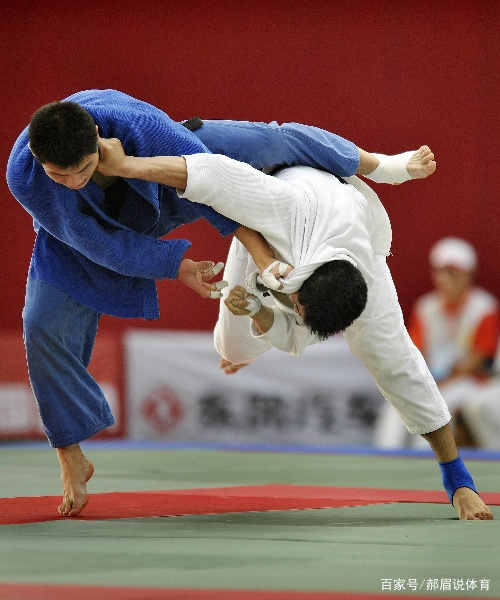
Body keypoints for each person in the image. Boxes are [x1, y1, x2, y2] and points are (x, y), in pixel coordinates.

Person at [6, 88, 434, 518]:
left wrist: (264, 257)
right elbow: (96, 242)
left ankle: (385, 164)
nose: (74, 181)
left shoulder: (146, 130)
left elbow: (218, 188)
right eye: (60, 176)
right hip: (78, 236)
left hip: (164, 183)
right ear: (39, 160)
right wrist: (175, 265)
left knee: (277, 140)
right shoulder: (25, 175)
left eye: (83, 168)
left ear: (98, 137)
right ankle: (69, 454)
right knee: (40, 322)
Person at [96, 140, 492, 521]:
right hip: (282, 196)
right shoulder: (282, 206)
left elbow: (407, 374)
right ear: (298, 287)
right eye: (296, 305)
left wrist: (459, 478)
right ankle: (245, 345)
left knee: (390, 357)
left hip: (334, 235)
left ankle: (456, 477)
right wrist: (125, 166)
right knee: (233, 348)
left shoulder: (370, 288)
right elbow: (209, 174)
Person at [374, 238, 499, 448]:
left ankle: (427, 458)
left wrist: (438, 384)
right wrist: (420, 382)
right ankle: (384, 454)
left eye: (453, 273)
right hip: (430, 379)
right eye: (441, 272)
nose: (446, 279)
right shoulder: (426, 308)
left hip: (469, 382)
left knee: (437, 408)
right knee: (397, 403)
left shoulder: (484, 308)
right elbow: (415, 353)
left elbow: (478, 360)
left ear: (468, 275)